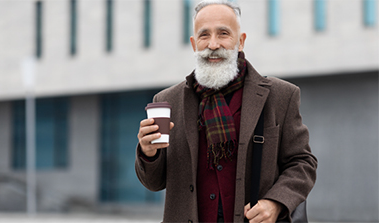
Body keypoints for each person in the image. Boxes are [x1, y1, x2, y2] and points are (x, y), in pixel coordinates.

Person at [135, 0, 317, 222]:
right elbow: (154, 183)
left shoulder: (280, 96)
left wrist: (276, 202)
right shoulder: (167, 102)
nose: (213, 44)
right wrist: (148, 152)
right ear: (194, 44)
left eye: (223, 33)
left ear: (240, 41)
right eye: (204, 35)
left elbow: (302, 162)